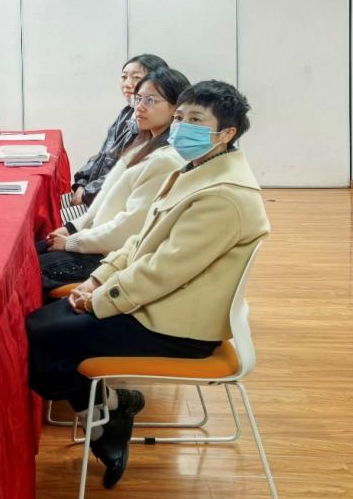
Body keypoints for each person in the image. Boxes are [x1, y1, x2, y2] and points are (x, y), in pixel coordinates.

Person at [26, 80, 269, 489]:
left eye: (196, 120)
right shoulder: (195, 170)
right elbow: (141, 242)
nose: (182, 127)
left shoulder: (224, 195)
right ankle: (111, 407)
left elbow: (163, 271)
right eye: (180, 117)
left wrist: (99, 300)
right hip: (159, 304)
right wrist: (98, 279)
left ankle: (104, 422)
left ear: (226, 133)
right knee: (37, 327)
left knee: (39, 338)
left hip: (177, 328)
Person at [37, 68, 189, 294]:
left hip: (109, 257)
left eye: (151, 100)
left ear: (176, 109)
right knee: (26, 253)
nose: (140, 107)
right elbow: (104, 200)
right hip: (95, 242)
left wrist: (71, 242)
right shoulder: (143, 145)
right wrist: (71, 228)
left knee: (26, 271)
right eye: (138, 98)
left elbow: (128, 228)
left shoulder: (166, 159)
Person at [65, 54, 169, 213]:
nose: (127, 84)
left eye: (136, 78)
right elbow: (102, 155)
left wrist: (87, 193)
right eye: (124, 77)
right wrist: (82, 183)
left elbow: (124, 173)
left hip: (107, 202)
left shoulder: (149, 124)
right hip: (92, 193)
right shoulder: (127, 113)